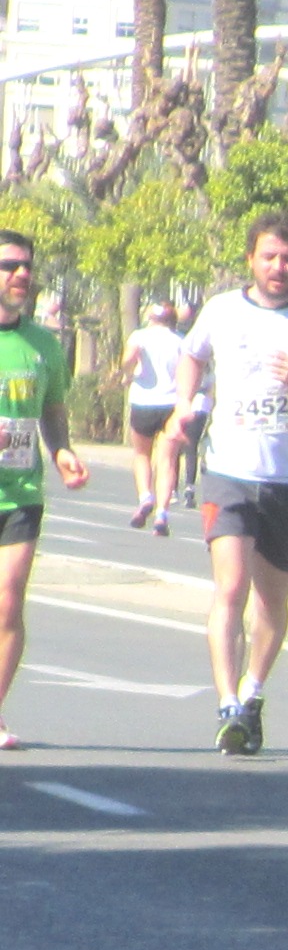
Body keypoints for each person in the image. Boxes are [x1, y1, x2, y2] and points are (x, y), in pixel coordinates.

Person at [176, 213, 288, 758]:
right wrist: (186, 403)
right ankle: (228, 705)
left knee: (272, 599)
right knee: (230, 588)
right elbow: (193, 353)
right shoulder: (222, 310)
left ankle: (253, 691)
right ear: (251, 259)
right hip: (228, 470)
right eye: (269, 256)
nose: (279, 267)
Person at [0, 229, 93, 750]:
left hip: (20, 493)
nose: (21, 275)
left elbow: (52, 412)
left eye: (26, 267)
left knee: (8, 604)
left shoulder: (43, 346)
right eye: (9, 265)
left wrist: (61, 452)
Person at [125, 296, 192, 533]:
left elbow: (128, 359)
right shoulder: (180, 341)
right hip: (170, 405)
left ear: (150, 317)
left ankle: (145, 497)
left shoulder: (140, 337)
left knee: (142, 454)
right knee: (167, 461)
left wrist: (128, 374)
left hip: (143, 402)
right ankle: (162, 513)